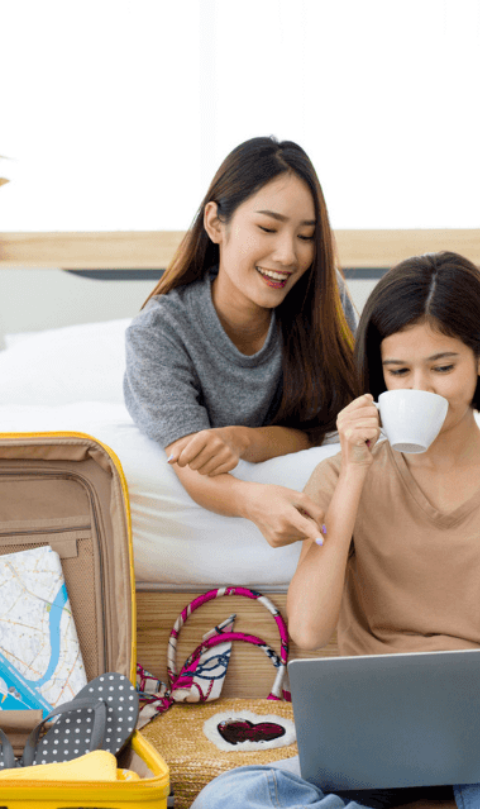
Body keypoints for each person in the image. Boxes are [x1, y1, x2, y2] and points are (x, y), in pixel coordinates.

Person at [186, 252, 480, 809]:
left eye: (442, 367)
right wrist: (357, 473)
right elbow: (310, 628)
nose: (420, 389)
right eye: (398, 371)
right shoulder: (341, 477)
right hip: (374, 766)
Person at [124, 137, 357, 548]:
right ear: (216, 223)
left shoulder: (322, 299)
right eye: (267, 228)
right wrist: (251, 500)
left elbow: (318, 428)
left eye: (306, 236)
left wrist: (241, 440)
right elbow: (189, 459)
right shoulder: (159, 332)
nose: (288, 255)